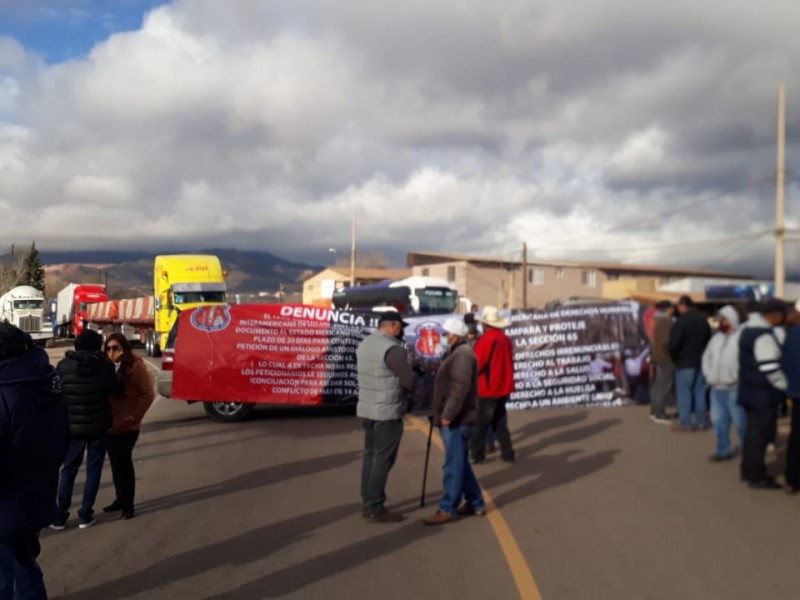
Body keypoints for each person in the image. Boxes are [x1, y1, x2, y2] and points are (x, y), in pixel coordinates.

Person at [0, 323, 69, 598]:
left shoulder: (6, 392)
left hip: (5, 501)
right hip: (37, 495)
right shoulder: (46, 383)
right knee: (26, 564)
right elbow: (63, 440)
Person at [51, 329, 116, 530]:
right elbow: (114, 389)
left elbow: (55, 392)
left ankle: (60, 516)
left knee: (68, 470)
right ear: (97, 346)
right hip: (98, 425)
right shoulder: (105, 366)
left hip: (72, 427)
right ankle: (85, 515)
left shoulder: (63, 366)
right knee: (93, 470)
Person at [424, 317, 486, 525]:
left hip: (458, 419)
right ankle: (475, 502)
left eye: (445, 334)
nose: (443, 337)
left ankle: (448, 507)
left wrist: (448, 415)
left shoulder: (462, 356)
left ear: (455, 335)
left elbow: (460, 389)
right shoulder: (456, 353)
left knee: (453, 464)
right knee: (460, 462)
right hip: (455, 417)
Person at [355, 312, 414, 523]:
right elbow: (408, 381)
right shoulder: (394, 350)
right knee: (383, 458)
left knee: (371, 456)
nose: (401, 331)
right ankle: (375, 506)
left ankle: (368, 499)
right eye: (400, 327)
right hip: (387, 411)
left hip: (368, 409)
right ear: (393, 325)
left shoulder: (365, 344)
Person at [103, 333, 155, 520]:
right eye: (108, 348)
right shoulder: (106, 367)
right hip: (109, 425)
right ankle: (120, 499)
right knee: (116, 465)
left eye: (115, 348)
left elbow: (148, 394)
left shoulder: (135, 367)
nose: (111, 352)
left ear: (123, 349)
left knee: (124, 464)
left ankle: (128, 505)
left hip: (128, 426)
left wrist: (133, 416)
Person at [738, 299, 787, 489]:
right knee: (760, 436)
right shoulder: (763, 336)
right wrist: (784, 385)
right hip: (763, 394)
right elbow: (770, 367)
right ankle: (756, 476)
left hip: (750, 391)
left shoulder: (748, 332)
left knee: (752, 435)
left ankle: (748, 470)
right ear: (773, 315)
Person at [469, 306, 516, 464]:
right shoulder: (505, 339)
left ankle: (477, 455)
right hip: (503, 387)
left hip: (489, 389)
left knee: (480, 425)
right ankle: (508, 454)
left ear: (486, 324)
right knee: (500, 423)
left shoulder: (487, 340)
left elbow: (478, 364)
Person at [702, 306, 745, 462]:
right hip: (716, 388)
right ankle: (722, 450)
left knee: (740, 422)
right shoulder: (715, 339)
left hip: (734, 388)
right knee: (719, 422)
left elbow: (746, 361)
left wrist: (739, 376)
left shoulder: (741, 338)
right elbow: (706, 358)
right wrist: (708, 375)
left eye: (724, 320)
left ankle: (748, 451)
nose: (721, 324)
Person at [669, 296, 711, 431]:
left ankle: (686, 422)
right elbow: (708, 340)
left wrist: (675, 357)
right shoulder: (703, 320)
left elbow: (674, 343)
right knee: (699, 392)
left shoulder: (681, 321)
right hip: (700, 361)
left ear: (682, 306)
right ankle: (701, 421)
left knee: (684, 393)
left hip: (684, 361)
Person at [781, 303, 800, 494]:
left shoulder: (791, 334)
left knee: (795, 437)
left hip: (795, 392)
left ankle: (791, 480)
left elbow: (784, 363)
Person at [650, 301, 675, 424]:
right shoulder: (665, 321)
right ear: (667, 309)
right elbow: (666, 341)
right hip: (666, 357)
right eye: (671, 308)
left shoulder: (656, 320)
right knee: (664, 386)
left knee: (659, 385)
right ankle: (659, 414)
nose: (673, 310)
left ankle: (654, 412)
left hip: (659, 356)